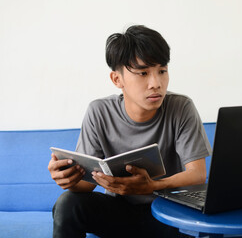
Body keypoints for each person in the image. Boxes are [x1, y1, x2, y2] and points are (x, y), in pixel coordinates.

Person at [48, 25, 212, 238]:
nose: (156, 83)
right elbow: (86, 187)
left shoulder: (181, 107)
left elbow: (197, 175)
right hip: (119, 213)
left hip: (166, 213)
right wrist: (67, 178)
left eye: (162, 71)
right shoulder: (99, 112)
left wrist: (151, 186)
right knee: (67, 204)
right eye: (143, 73)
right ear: (117, 79)